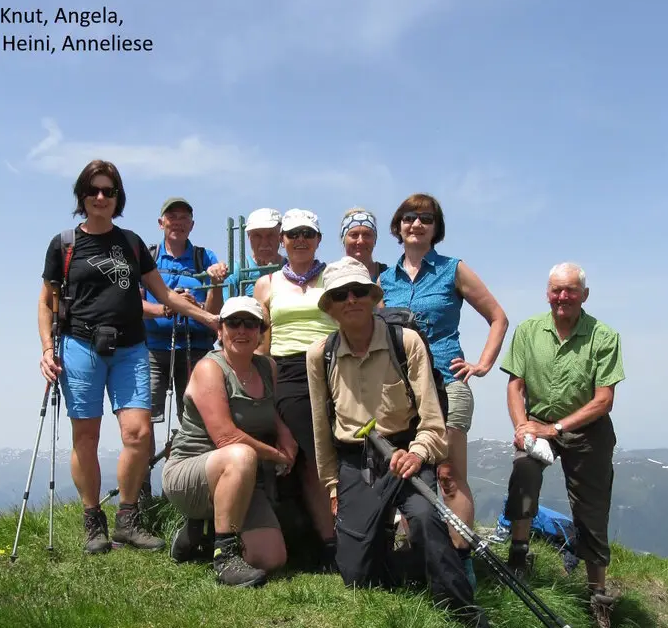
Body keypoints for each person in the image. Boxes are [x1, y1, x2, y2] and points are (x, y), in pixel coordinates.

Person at [38, 159, 220, 556]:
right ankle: (92, 523)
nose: (101, 197)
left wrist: (211, 319)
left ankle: (127, 518)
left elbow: (166, 296)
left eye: (109, 191)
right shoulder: (64, 244)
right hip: (80, 346)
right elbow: (46, 303)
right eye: (93, 190)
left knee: (138, 433)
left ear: (118, 197)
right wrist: (48, 350)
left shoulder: (132, 244)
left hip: (131, 348)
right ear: (82, 195)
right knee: (85, 436)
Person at [306, 257, 489, 627]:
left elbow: (433, 423)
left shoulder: (405, 342)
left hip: (406, 451)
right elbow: (321, 429)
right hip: (355, 461)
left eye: (360, 291)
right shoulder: (318, 354)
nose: (351, 299)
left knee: (425, 519)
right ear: (330, 306)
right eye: (341, 294)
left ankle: (460, 609)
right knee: (356, 574)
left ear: (374, 297)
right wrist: (331, 486)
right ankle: (400, 562)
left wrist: (417, 453)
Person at [379, 193, 508, 579]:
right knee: (406, 471)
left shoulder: (453, 269)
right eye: (408, 217)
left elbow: (498, 317)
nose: (416, 224)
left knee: (449, 472)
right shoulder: (384, 278)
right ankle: (420, 554)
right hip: (400, 389)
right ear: (398, 226)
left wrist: (482, 364)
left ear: (436, 228)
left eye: (425, 218)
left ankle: (460, 560)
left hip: (447, 380)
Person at [499, 262, 625, 628]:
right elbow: (515, 385)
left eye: (570, 290)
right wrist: (522, 425)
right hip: (538, 423)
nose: (563, 297)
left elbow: (603, 400)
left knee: (591, 507)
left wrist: (554, 428)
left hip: (588, 430)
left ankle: (597, 595)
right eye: (556, 290)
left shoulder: (603, 336)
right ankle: (519, 558)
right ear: (547, 293)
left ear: (584, 295)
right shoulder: (528, 331)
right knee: (523, 472)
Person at [162, 296, 295, 587]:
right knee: (242, 454)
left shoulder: (266, 367)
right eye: (233, 323)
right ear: (220, 330)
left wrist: (285, 435)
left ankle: (200, 531)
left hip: (239, 477)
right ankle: (225, 555)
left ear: (261, 331)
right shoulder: (210, 368)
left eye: (251, 324)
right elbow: (226, 436)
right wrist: (276, 455)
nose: (242, 330)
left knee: (271, 558)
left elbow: (269, 411)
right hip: (190, 472)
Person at [252, 208, 338, 567]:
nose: (300, 240)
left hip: (334, 368)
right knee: (310, 460)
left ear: (318, 240)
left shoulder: (333, 277)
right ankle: (330, 543)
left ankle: (339, 539)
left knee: (334, 457)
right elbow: (261, 341)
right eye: (293, 234)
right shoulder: (267, 284)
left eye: (308, 233)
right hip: (287, 373)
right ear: (283, 241)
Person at [141, 197, 229, 444]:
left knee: (196, 419)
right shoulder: (148, 257)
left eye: (184, 218)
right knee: (142, 421)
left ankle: (194, 476)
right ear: (161, 223)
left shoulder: (205, 257)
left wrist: (211, 288)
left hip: (196, 349)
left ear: (192, 225)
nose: (177, 223)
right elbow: (133, 304)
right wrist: (168, 308)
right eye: (172, 217)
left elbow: (213, 312)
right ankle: (141, 482)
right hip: (153, 350)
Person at [224, 207, 285, 297]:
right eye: (257, 235)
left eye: (271, 235)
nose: (264, 242)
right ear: (248, 237)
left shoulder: (292, 268)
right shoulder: (237, 270)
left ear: (281, 236)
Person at [339, 207, 389, 281]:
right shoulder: (332, 275)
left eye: (366, 235)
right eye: (354, 235)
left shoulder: (389, 277)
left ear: (375, 239)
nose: (360, 241)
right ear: (343, 239)